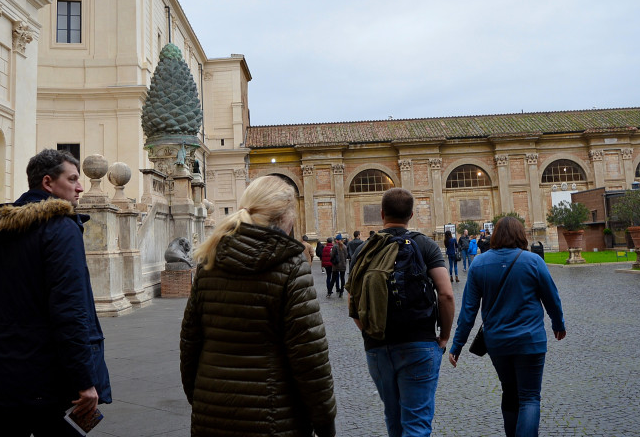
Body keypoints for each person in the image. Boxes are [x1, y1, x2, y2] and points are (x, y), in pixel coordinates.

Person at [0, 148, 111, 436]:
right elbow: (70, 311)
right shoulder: (61, 228)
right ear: (47, 183)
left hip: (0, 370)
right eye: (73, 179)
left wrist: (12, 318)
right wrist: (85, 380)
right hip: (45, 375)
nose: (80, 187)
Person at [180, 175, 336, 437]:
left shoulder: (210, 261)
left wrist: (199, 397)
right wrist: (324, 422)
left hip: (211, 409)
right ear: (285, 216)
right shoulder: (291, 266)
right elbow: (309, 356)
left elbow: (190, 341)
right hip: (275, 414)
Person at [347, 188, 454, 437]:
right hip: (420, 341)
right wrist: (444, 336)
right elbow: (446, 294)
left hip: (377, 345)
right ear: (411, 215)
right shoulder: (425, 244)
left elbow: (354, 301)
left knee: (393, 420)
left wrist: (373, 331)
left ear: (382, 214)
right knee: (416, 423)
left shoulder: (364, 249)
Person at [449, 216, 566, 437]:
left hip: (498, 342)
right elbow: (552, 297)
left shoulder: (479, 264)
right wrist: (558, 323)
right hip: (530, 340)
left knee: (510, 392)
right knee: (530, 397)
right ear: (520, 235)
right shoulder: (533, 261)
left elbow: (468, 311)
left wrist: (457, 344)